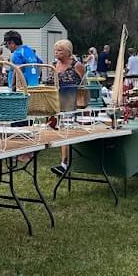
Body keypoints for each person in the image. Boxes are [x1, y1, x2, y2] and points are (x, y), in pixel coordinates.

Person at [50, 40, 86, 176]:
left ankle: (64, 164)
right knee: (58, 131)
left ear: (68, 52)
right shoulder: (54, 65)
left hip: (71, 102)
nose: (56, 53)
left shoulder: (77, 66)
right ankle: (64, 162)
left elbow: (84, 85)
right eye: (56, 50)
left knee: (65, 132)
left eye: (60, 50)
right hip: (55, 102)